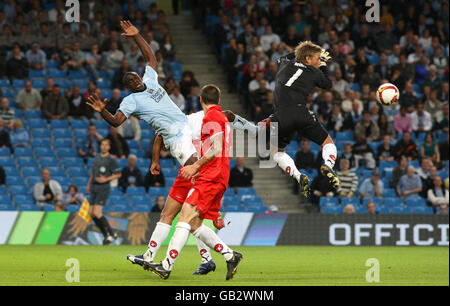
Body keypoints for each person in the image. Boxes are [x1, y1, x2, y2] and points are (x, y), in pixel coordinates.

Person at [143, 84, 242, 280]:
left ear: (201, 100)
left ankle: (166, 265)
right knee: (195, 223)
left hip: (211, 176)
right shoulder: (222, 118)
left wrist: (195, 167)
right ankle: (231, 255)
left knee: (183, 220)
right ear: (219, 100)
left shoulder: (211, 116)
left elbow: (216, 148)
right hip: (218, 176)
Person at [264, 41, 339, 197]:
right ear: (307, 59)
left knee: (277, 153)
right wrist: (324, 64)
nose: (319, 61)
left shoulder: (284, 64)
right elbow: (328, 84)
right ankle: (328, 165)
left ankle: (298, 176)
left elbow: (284, 57)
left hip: (280, 117)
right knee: (327, 143)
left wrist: (298, 52)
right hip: (301, 113)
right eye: (317, 58)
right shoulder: (314, 72)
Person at [86, 139, 122, 245]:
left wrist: (106, 179)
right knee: (91, 213)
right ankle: (107, 235)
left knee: (97, 212)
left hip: (103, 187)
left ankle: (111, 234)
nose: (104, 146)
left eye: (106, 145)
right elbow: (93, 173)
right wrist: (88, 184)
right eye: (102, 144)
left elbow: (118, 174)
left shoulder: (111, 160)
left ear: (109, 147)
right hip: (94, 187)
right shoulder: (96, 157)